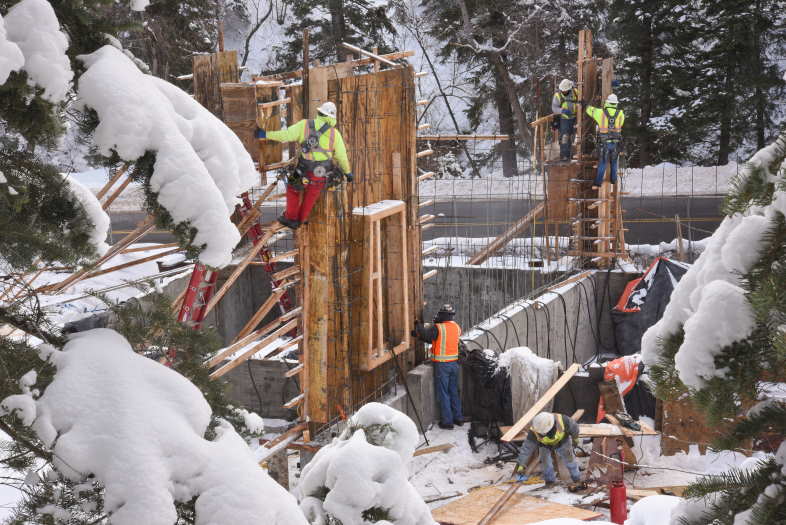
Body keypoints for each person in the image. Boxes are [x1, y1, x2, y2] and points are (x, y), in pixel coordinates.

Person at [256, 101, 353, 229]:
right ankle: (300, 220)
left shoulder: (304, 125)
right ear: (332, 118)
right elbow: (341, 156)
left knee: (292, 188)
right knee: (311, 196)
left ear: (319, 113)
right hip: (322, 172)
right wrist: (347, 172)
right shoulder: (335, 134)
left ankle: (291, 218)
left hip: (302, 168)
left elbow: (285, 136)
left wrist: (265, 134)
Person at [411, 304, 463, 430]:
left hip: (442, 365)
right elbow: (437, 340)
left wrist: (417, 325)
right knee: (453, 391)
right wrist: (419, 334)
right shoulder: (456, 327)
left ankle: (447, 422)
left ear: (442, 315)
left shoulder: (438, 328)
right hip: (454, 364)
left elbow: (427, 335)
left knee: (443, 393)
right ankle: (458, 418)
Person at [514, 411, 581, 486]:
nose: (543, 434)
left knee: (569, 460)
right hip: (544, 445)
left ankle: (576, 478)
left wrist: (575, 439)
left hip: (563, 441)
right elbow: (527, 448)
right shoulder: (534, 429)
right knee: (546, 463)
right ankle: (550, 481)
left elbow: (575, 428)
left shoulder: (564, 420)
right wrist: (521, 464)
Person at [585, 94, 625, 190]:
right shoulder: (621, 114)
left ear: (607, 102)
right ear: (616, 103)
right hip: (615, 143)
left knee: (602, 163)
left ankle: (598, 182)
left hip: (604, 143)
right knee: (614, 162)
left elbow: (589, 110)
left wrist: (585, 104)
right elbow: (621, 124)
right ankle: (613, 180)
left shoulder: (600, 112)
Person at [551, 79, 580, 161]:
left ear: (569, 89)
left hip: (574, 118)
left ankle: (571, 154)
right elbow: (554, 108)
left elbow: (581, 100)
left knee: (573, 137)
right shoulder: (557, 95)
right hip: (564, 120)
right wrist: (562, 111)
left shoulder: (575, 92)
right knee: (564, 137)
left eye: (565, 90)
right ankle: (564, 156)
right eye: (562, 90)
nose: (563, 92)